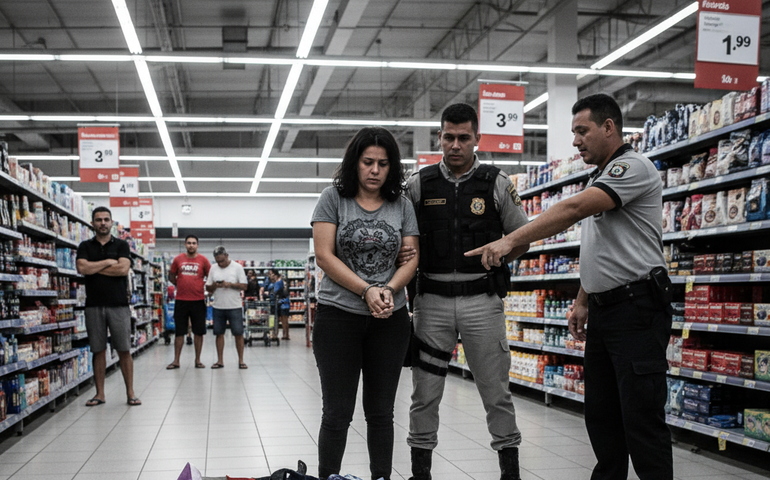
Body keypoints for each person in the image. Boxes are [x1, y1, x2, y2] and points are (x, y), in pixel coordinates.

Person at [467, 93, 673, 480]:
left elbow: (573, 209)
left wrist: (511, 240)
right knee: (602, 417)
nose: (576, 141)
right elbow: (602, 249)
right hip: (608, 310)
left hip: (637, 310)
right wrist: (582, 299)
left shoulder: (632, 167)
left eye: (582, 131)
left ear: (609, 127)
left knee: (641, 420)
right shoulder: (601, 175)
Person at [396, 103, 529, 480]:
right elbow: (403, 238)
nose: (455, 145)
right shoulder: (418, 185)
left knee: (495, 392)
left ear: (477, 139)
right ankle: (420, 472)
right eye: (448, 137)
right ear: (440, 137)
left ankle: (510, 470)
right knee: (425, 393)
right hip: (431, 305)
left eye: (463, 138)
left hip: (482, 304)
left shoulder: (497, 183)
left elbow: (523, 238)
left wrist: (505, 249)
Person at [311, 126, 419, 480]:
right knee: (337, 411)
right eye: (367, 162)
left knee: (381, 412)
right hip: (338, 317)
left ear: (392, 168)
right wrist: (366, 290)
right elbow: (325, 256)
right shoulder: (332, 198)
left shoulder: (401, 205)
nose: (375, 170)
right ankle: (329, 476)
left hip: (390, 318)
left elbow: (412, 257)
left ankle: (381, 478)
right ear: (354, 163)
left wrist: (388, 289)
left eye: (383, 164)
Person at [76, 206, 141, 407]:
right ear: (92, 223)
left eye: (106, 219)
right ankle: (100, 394)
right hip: (93, 305)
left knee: (124, 349)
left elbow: (122, 269)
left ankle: (130, 393)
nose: (102, 223)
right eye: (98, 220)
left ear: (111, 222)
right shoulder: (85, 246)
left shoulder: (122, 245)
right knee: (98, 350)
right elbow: (81, 268)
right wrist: (106, 262)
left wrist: (94, 269)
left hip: (119, 305)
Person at [167, 235, 211, 369]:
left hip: (198, 300)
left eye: (194, 243)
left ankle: (198, 360)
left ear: (197, 245)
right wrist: (179, 283)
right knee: (179, 331)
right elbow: (171, 275)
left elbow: (210, 276)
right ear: (185, 245)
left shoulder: (203, 260)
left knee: (199, 332)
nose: (191, 245)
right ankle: (176, 361)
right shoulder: (178, 259)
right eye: (189, 243)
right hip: (181, 300)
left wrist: (205, 287)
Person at [205, 246, 248, 369]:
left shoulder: (237, 268)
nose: (220, 264)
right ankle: (220, 361)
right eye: (218, 261)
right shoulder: (213, 268)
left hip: (234, 306)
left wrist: (230, 285)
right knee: (219, 334)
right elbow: (208, 287)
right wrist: (215, 285)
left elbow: (244, 286)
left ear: (227, 256)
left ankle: (241, 360)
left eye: (222, 261)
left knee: (238, 333)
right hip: (218, 306)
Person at [268, 268, 291, 340]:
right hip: (282, 302)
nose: (271, 276)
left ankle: (284, 334)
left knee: (282, 319)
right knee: (282, 319)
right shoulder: (278, 282)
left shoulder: (278, 282)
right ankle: (284, 334)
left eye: (272, 274)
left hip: (282, 302)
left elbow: (277, 291)